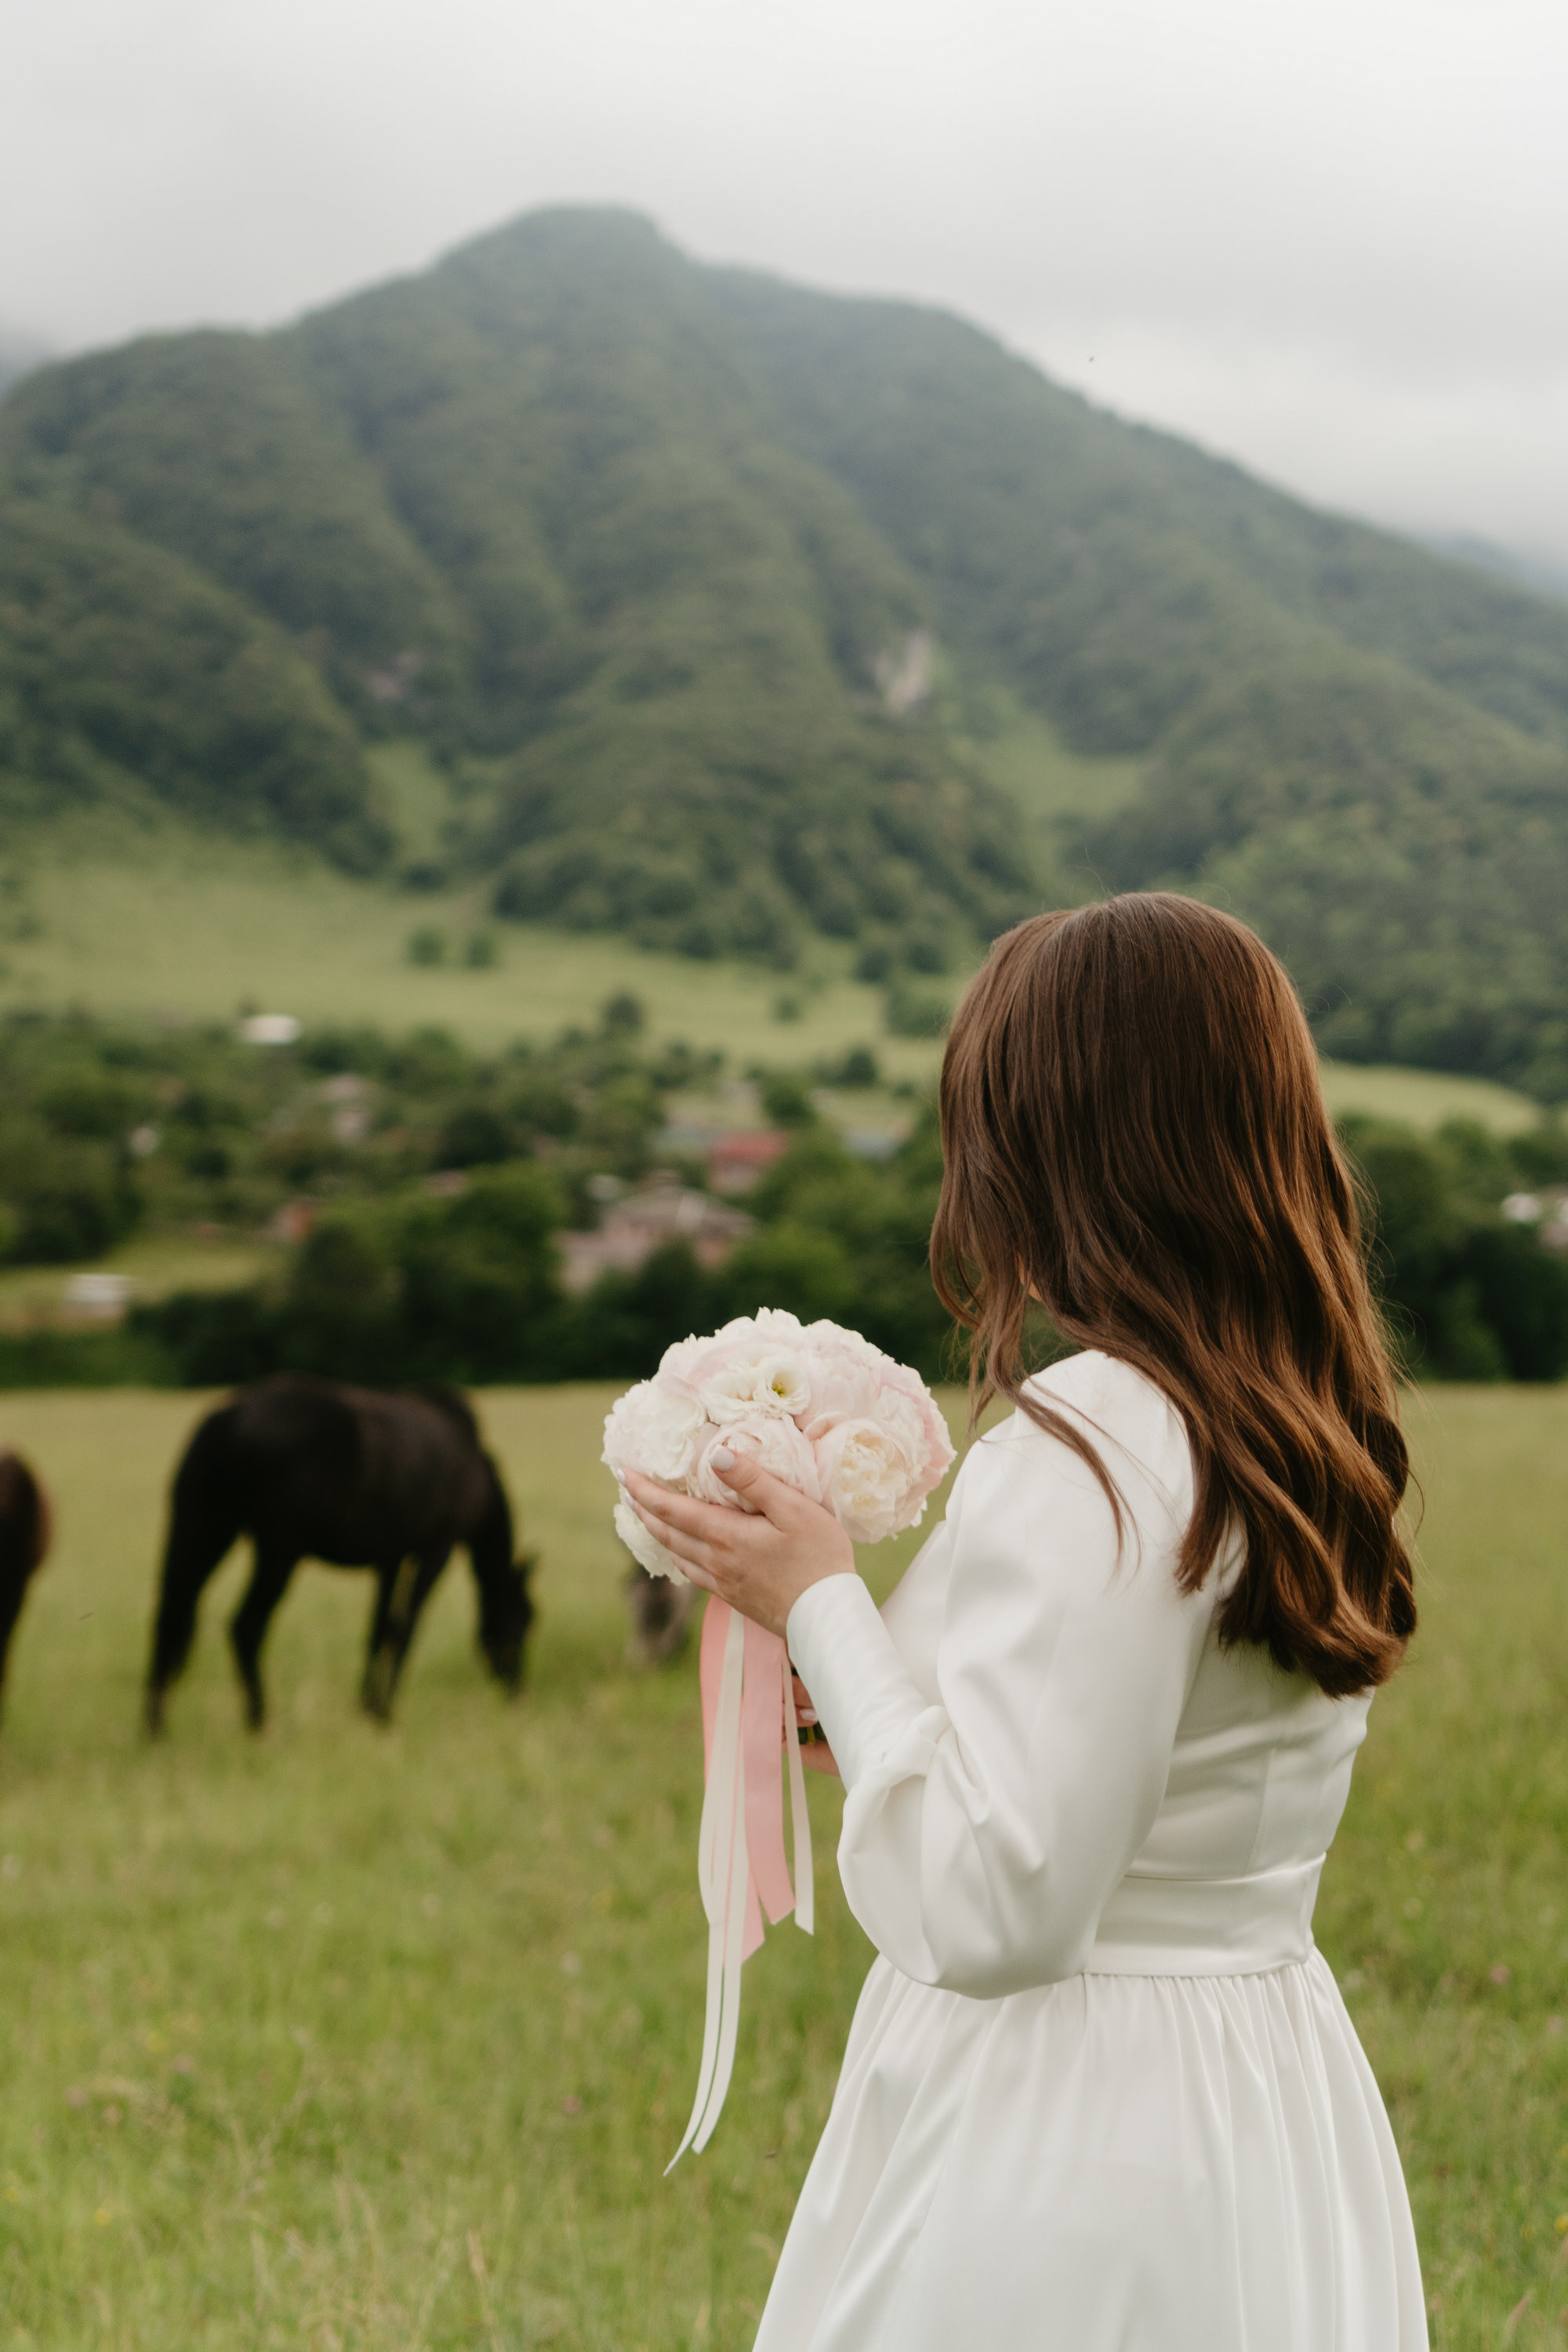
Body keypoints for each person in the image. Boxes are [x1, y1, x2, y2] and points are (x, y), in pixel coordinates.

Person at [625, 894, 1427, 2351]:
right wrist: (856, 1695)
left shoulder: (1096, 1443)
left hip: (1076, 2119)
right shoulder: (1297, 1418)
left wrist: (816, 1597)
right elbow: (1113, 1755)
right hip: (1261, 2082)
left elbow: (1002, 1900)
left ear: (1056, 1150)